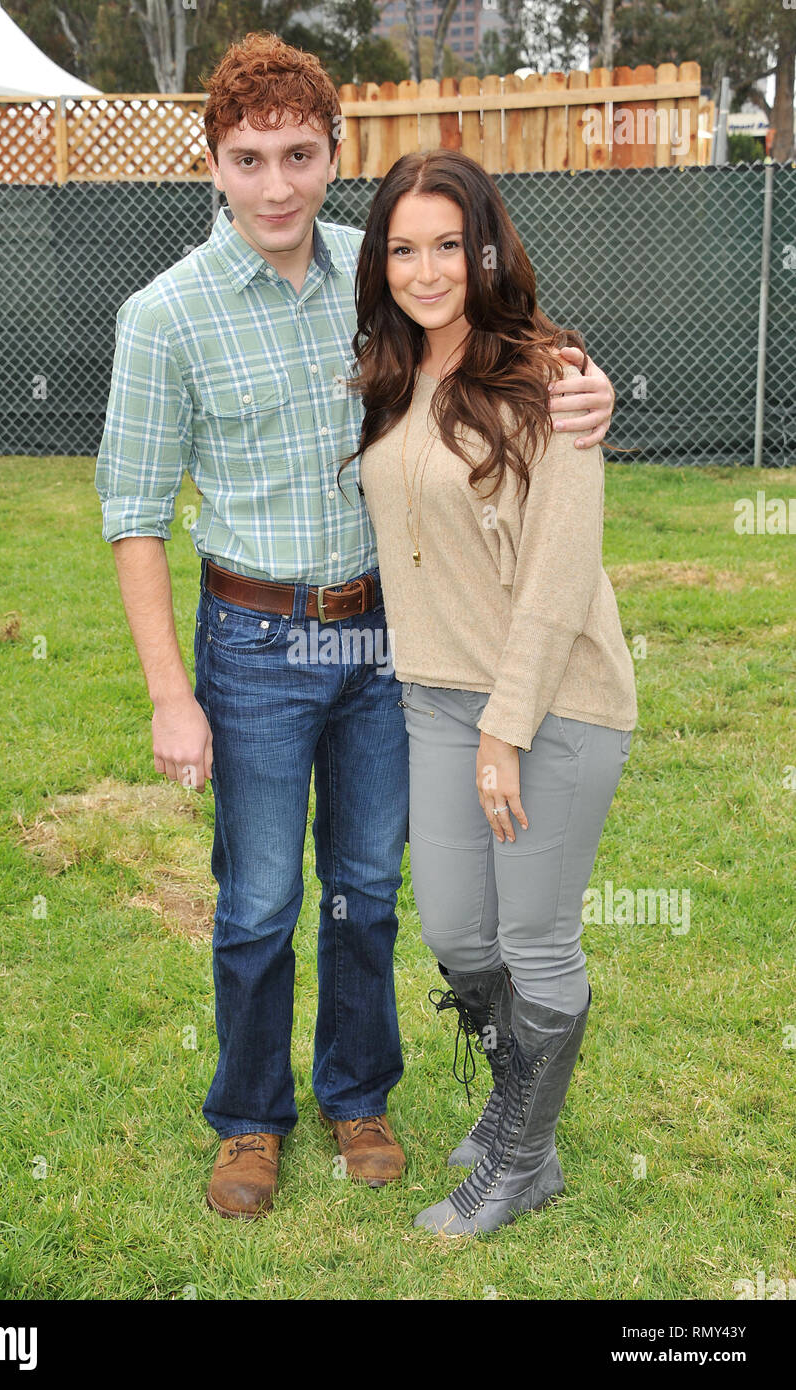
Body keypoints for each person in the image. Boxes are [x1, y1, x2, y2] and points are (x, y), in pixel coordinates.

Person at [94, 33, 617, 1221]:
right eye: (247, 158)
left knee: (370, 888)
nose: (276, 184)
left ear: (335, 153)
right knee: (260, 897)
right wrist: (172, 693)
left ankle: (360, 1092)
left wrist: (586, 385)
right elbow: (133, 518)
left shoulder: (382, 269)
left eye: (298, 154)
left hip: (394, 641)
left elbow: (504, 351)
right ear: (211, 165)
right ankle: (246, 1119)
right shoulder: (161, 316)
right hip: (255, 641)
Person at [351, 149, 637, 1237]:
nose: (426, 269)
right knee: (459, 936)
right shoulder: (392, 368)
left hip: (552, 703)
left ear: (485, 249)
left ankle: (519, 1159)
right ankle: (525, 1111)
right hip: (434, 699)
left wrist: (505, 731)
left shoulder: (549, 376)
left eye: (447, 245)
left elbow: (560, 572)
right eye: (402, 247)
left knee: (534, 939)